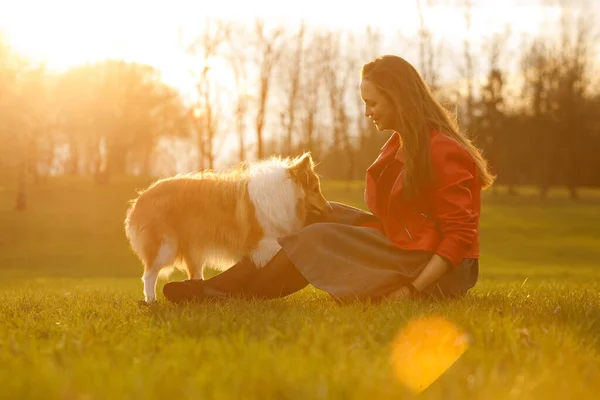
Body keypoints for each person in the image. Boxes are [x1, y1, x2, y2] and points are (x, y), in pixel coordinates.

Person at [162, 54, 495, 304]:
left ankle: (222, 294)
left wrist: (411, 290)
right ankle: (222, 287)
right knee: (314, 214)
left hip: (437, 270)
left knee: (315, 238)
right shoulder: (402, 143)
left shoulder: (442, 150)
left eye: (372, 103)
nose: (367, 112)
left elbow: (460, 236)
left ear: (399, 99)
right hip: (407, 243)